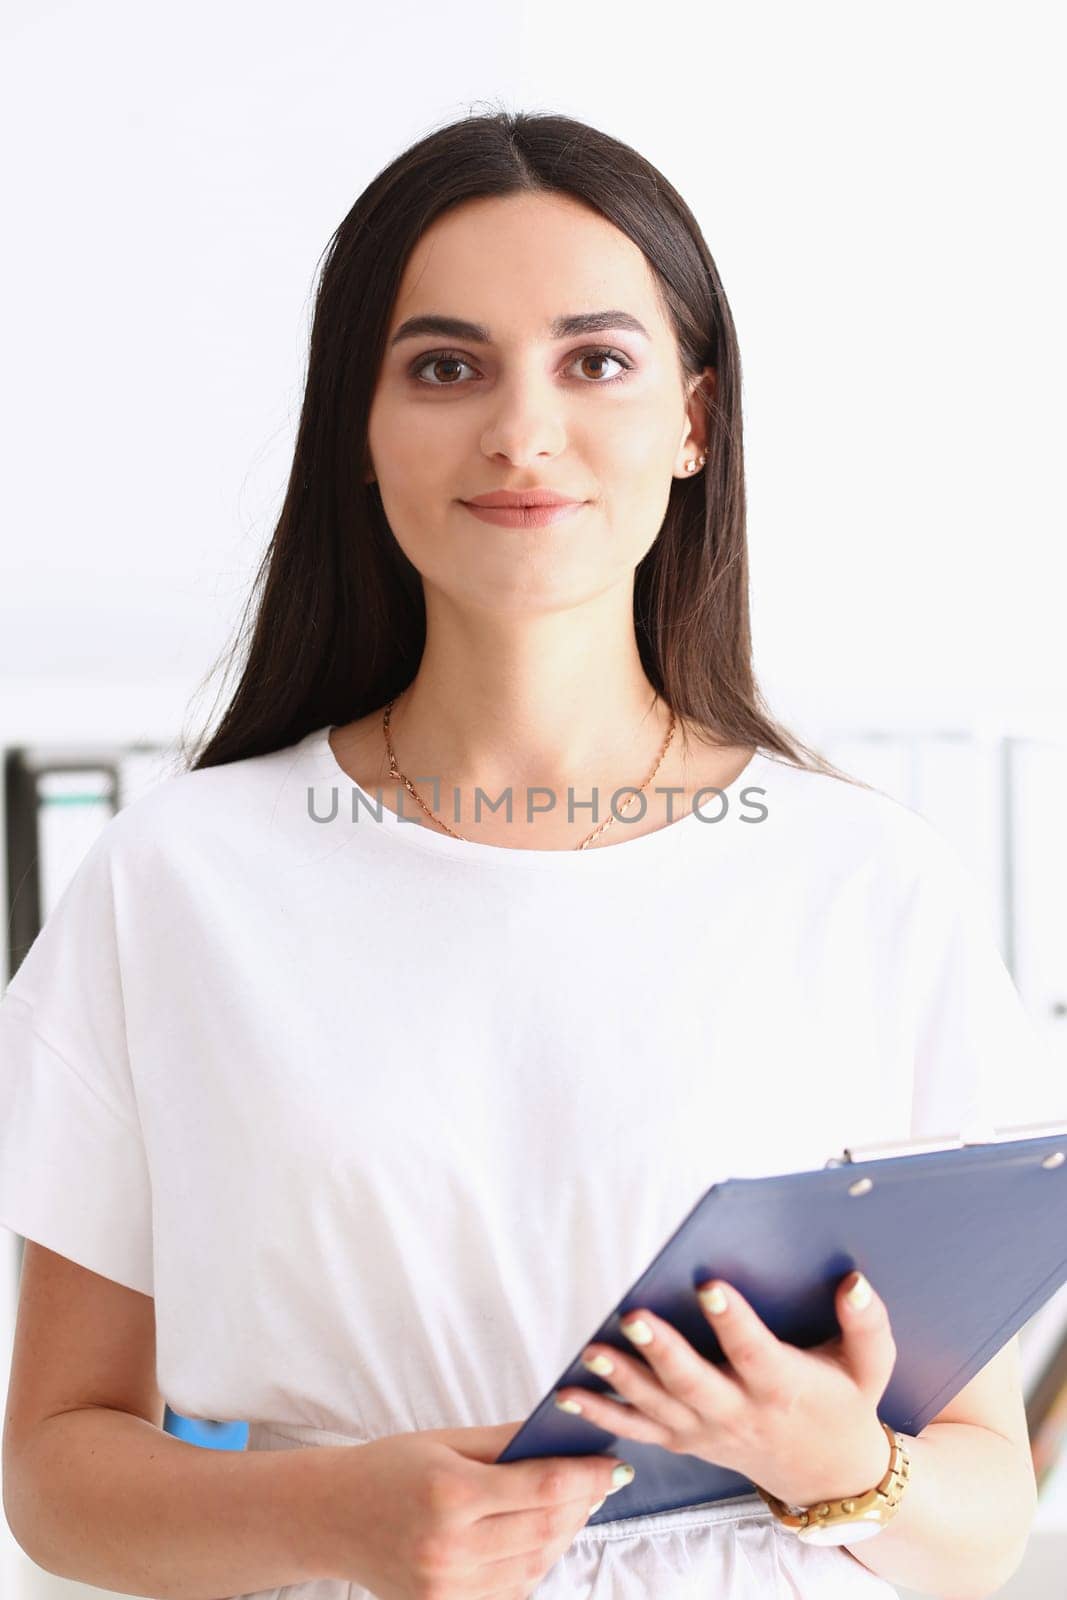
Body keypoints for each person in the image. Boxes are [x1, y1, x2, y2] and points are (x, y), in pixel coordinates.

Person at [1, 108, 1059, 1600]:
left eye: (595, 361)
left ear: (694, 422)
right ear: (358, 431)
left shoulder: (869, 887)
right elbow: (56, 1464)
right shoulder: (180, 880)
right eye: (446, 367)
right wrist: (330, 1515)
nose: (521, 429)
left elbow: (981, 1512)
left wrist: (840, 1465)